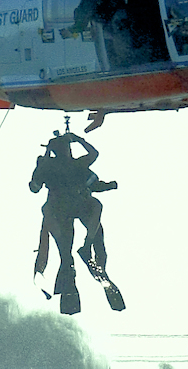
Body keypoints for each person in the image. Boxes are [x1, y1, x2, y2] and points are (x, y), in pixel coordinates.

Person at [30, 130, 122, 313]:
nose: (68, 151)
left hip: (66, 209)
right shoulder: (64, 164)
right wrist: (79, 140)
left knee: (78, 249)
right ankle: (78, 278)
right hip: (66, 209)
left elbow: (35, 187)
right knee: (70, 252)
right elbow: (34, 187)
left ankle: (88, 258)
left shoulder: (55, 165)